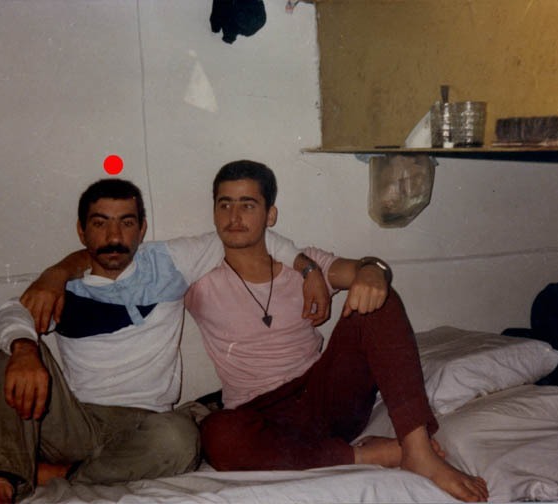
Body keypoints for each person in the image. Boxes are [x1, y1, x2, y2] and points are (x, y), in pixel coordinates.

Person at [0, 178, 325, 504]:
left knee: (181, 438)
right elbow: (9, 313)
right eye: (100, 223)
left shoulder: (168, 263)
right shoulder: (63, 288)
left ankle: (65, 474)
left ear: (141, 229)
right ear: (81, 231)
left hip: (146, 425)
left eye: (126, 223)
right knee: (11, 349)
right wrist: (25, 346)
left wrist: (307, 269)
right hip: (76, 422)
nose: (114, 236)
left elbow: (243, 236)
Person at [182, 160, 489, 502]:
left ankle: (418, 451)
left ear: (270, 215)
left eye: (248, 205)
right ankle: (366, 455)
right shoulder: (197, 279)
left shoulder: (306, 264)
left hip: (324, 394)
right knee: (217, 434)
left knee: (377, 299)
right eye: (224, 204)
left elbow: (363, 270)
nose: (234, 216)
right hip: (260, 413)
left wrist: (373, 270)